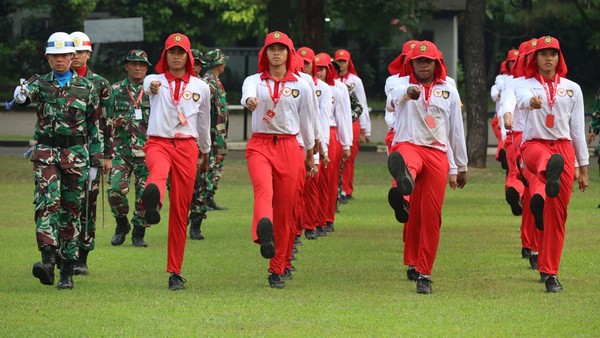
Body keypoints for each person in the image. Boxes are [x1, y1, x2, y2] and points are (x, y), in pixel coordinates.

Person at [14, 32, 102, 289]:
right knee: (46, 204)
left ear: (73, 56)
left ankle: (67, 271)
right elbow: (25, 95)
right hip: (46, 153)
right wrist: (20, 96)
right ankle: (47, 260)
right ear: (48, 58)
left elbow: (94, 127)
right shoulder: (40, 83)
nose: (60, 60)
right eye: (54, 56)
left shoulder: (87, 88)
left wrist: (96, 161)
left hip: (76, 155)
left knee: (71, 211)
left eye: (64, 55)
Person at [386, 41, 468, 294]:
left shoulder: (449, 91)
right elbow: (391, 103)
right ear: (411, 63)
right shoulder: (400, 84)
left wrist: (459, 166)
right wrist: (408, 94)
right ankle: (404, 183)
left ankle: (424, 272)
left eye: (428, 61)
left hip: (437, 153)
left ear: (437, 63)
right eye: (418, 61)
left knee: (430, 217)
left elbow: (455, 129)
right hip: (408, 145)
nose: (423, 64)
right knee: (408, 163)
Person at [241, 31, 315, 289]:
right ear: (265, 53)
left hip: (290, 146)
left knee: (284, 210)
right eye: (271, 48)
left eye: (281, 49)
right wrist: (250, 101)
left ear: (289, 54)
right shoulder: (254, 81)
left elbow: (308, 122)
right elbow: (247, 94)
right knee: (264, 192)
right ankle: (263, 232)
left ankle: (277, 268)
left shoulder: (302, 84)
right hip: (260, 144)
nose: (276, 53)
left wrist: (311, 154)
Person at [515, 36, 588, 292]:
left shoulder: (572, 88)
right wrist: (532, 102)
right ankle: (549, 173)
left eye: (553, 54)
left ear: (559, 58)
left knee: (557, 216)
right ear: (534, 58)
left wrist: (583, 167)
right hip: (534, 146)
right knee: (546, 161)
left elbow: (577, 129)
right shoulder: (524, 84)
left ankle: (550, 272)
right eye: (543, 54)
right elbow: (523, 98)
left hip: (564, 148)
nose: (549, 58)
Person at [142, 33, 211, 290]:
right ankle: (154, 204)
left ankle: (175, 271)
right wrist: (151, 87)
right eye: (172, 52)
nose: (176, 57)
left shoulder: (201, 87)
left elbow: (204, 123)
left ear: (188, 56)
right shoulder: (155, 80)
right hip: (158, 142)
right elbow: (145, 84)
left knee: (181, 211)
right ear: (165, 55)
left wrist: (205, 152)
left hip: (187, 147)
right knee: (158, 171)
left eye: (181, 52)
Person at [69, 31, 114, 275]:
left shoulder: (101, 84)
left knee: (88, 202)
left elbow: (107, 121)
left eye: (81, 52)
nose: (76, 57)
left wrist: (107, 155)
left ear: (89, 54)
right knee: (65, 203)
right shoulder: (59, 80)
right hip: (65, 150)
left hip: (91, 152)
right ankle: (63, 249)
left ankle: (82, 255)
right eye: (72, 53)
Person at [108, 50, 152, 247]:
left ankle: (139, 233)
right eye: (133, 64)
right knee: (115, 191)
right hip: (121, 151)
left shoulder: (155, 91)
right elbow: (102, 120)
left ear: (147, 68)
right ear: (126, 66)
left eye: (141, 64)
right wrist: (113, 123)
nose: (137, 68)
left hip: (148, 151)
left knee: (145, 195)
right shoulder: (114, 90)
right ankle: (121, 223)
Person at [188, 49, 230, 240]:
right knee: (188, 184)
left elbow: (219, 116)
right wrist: (219, 146)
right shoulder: (209, 84)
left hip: (207, 141)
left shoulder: (209, 84)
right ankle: (186, 220)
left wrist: (218, 145)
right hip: (194, 139)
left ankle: (196, 223)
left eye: (198, 63)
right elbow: (218, 116)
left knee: (202, 183)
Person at [334, 49, 371, 203]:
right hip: (334, 122)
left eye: (344, 61)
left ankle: (346, 190)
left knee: (348, 158)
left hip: (352, 121)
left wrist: (365, 129)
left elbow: (361, 104)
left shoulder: (355, 81)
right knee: (335, 158)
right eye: (339, 61)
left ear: (349, 63)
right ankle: (335, 190)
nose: (341, 64)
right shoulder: (329, 79)